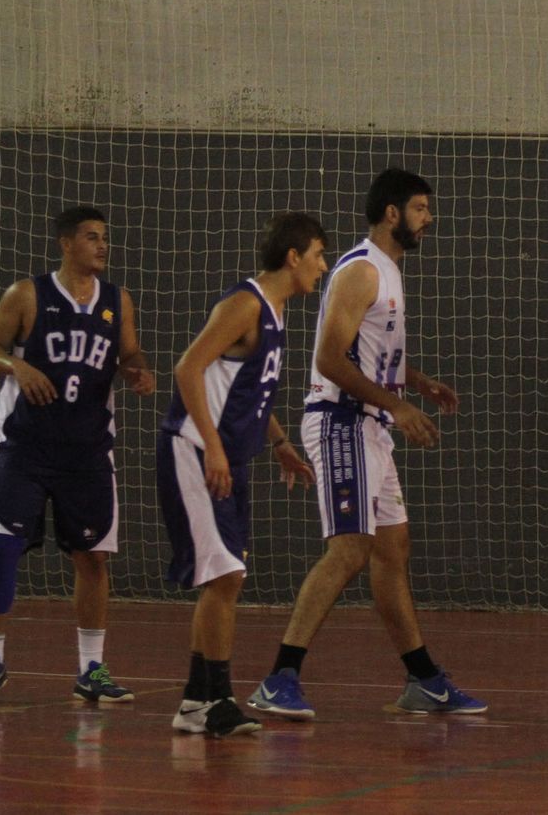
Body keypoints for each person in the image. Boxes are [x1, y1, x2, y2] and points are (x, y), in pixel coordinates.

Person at [247, 170, 485, 719]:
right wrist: (400, 406)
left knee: (392, 550)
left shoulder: (389, 272)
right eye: (422, 208)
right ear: (393, 213)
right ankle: (280, 676)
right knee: (350, 549)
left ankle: (423, 679)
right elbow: (330, 360)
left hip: (371, 423)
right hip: (341, 420)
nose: (430, 218)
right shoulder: (359, 271)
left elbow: (370, 351)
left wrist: (416, 383)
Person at [158, 212, 326, 737]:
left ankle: (196, 702)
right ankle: (216, 699)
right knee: (226, 576)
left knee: (225, 577)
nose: (323, 267)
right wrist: (211, 447)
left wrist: (279, 444)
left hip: (231, 455)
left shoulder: (277, 313)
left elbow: (255, 390)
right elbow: (187, 367)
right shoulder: (246, 303)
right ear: (293, 257)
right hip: (196, 449)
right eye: (319, 255)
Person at [0, 206, 156, 701]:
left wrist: (136, 370)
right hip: (25, 445)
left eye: (105, 237)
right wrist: (16, 368)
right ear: (67, 243)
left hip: (86, 451)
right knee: (2, 550)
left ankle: (92, 668)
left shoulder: (117, 300)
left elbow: (128, 352)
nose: (103, 245)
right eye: (92, 237)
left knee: (91, 558)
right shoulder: (27, 294)